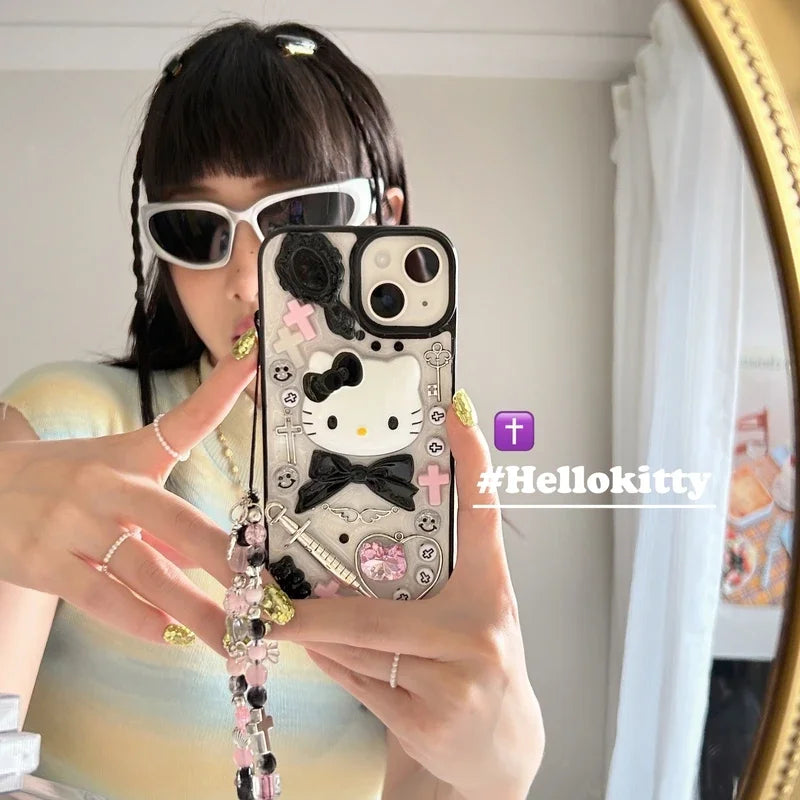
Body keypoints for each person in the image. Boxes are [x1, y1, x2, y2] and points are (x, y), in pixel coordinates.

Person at [0, 20, 544, 800]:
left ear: (386, 221)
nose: (247, 278)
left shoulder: (429, 490)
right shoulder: (63, 431)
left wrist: (496, 773)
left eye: (295, 219)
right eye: (196, 229)